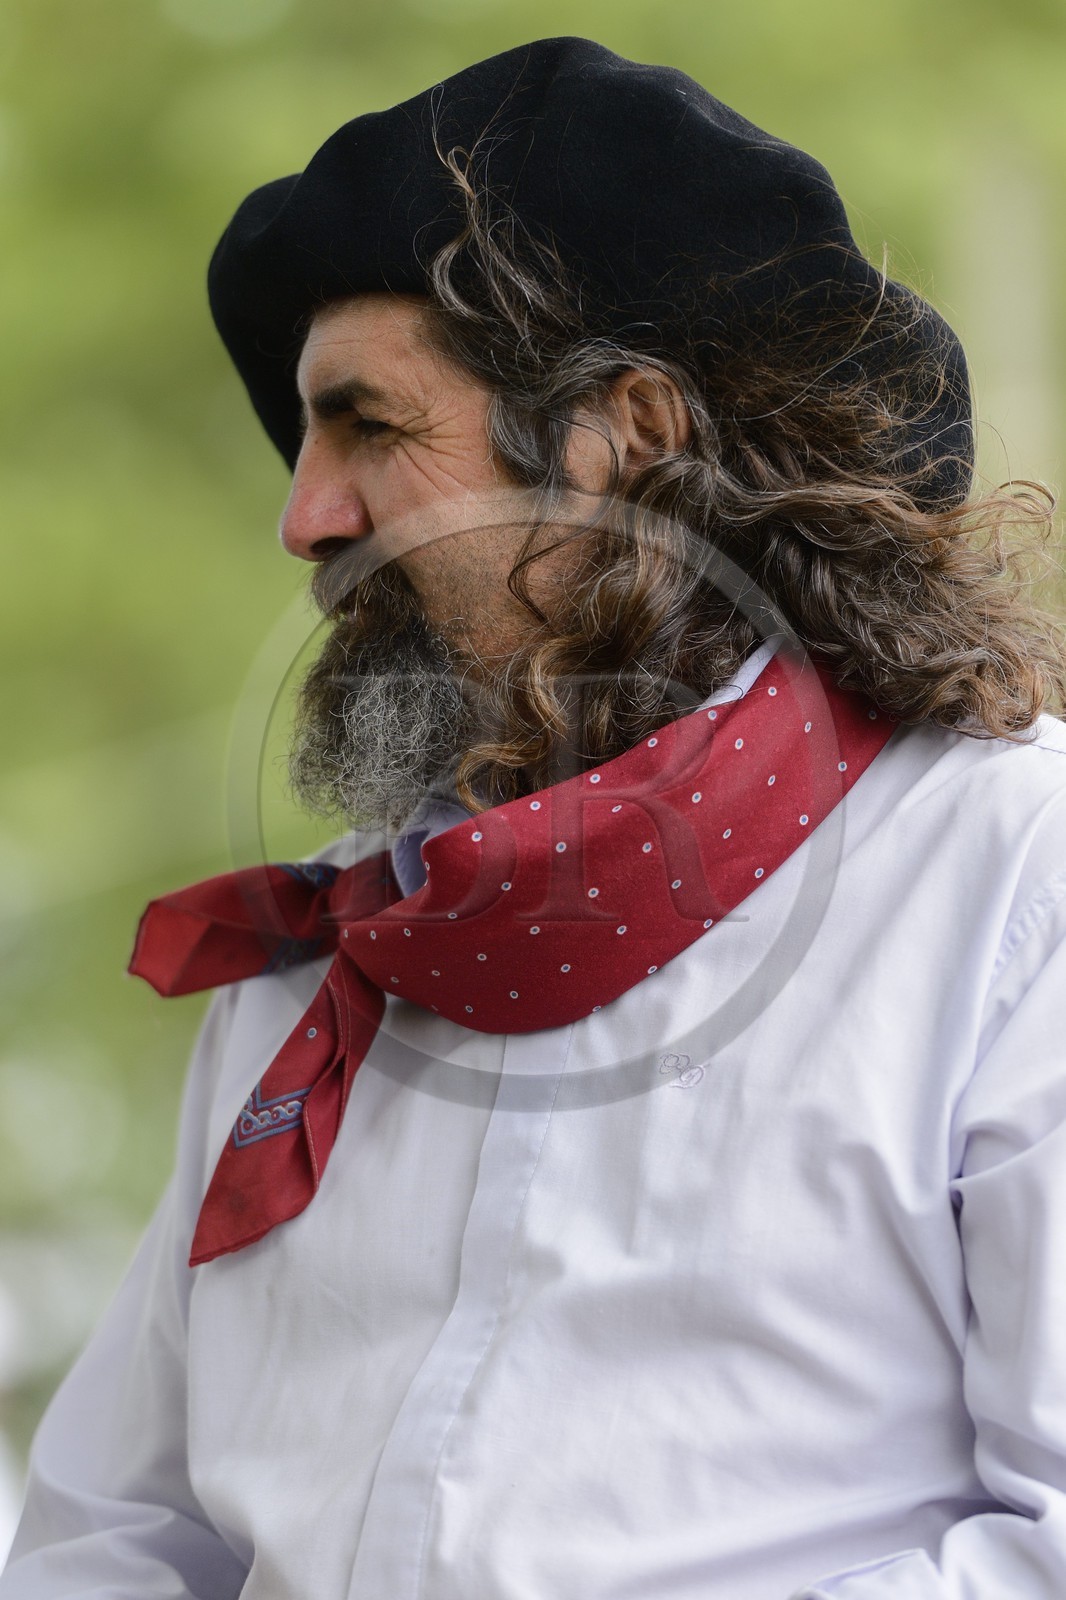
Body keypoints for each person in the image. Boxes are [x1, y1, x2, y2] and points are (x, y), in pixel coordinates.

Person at [5, 35, 1066, 1600]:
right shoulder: (317, 959)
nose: (305, 516)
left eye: (369, 425)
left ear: (624, 435)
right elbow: (117, 1538)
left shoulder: (1004, 878)